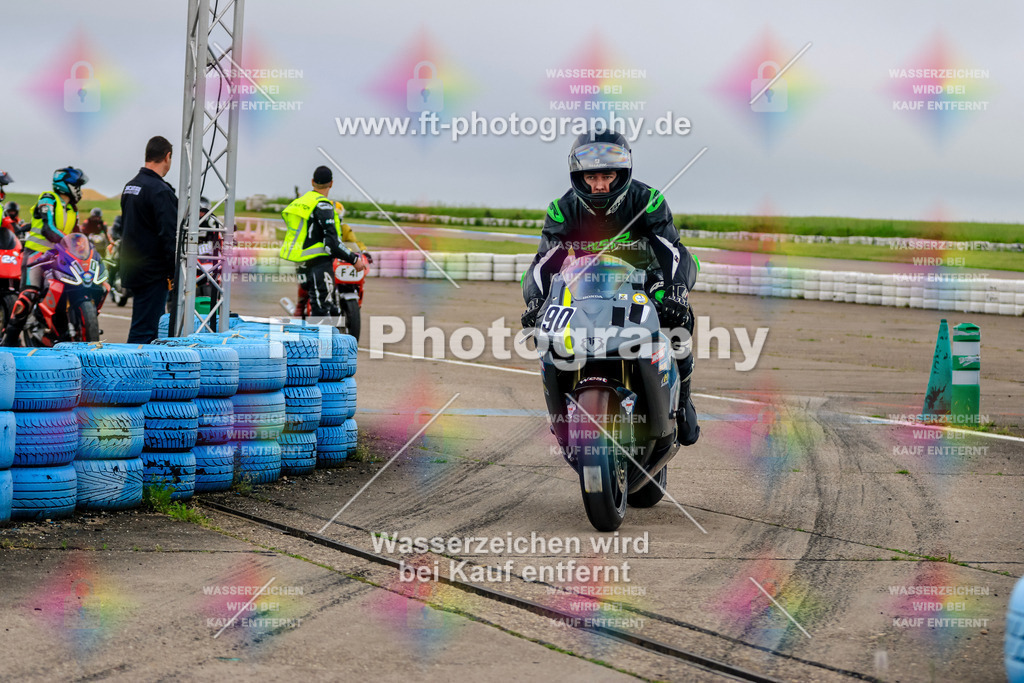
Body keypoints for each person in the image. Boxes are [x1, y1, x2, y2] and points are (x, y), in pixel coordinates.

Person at [521, 130, 700, 445]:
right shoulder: (562, 209)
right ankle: (563, 414)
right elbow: (544, 263)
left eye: (607, 175)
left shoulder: (649, 200)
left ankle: (682, 401)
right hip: (590, 282)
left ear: (622, 173)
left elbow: (672, 251)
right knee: (548, 329)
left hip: (650, 277)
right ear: (579, 176)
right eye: (592, 176)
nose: (600, 184)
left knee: (679, 322)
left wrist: (675, 292)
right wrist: (535, 302)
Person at [1, 167, 88, 346]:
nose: (79, 190)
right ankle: (8, 343)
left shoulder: (73, 209)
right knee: (28, 296)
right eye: (77, 185)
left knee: (65, 295)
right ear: (66, 185)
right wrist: (67, 242)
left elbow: (77, 234)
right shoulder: (48, 198)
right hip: (36, 256)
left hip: (60, 258)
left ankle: (64, 339)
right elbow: (48, 228)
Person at [279, 166, 365, 320]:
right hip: (319, 264)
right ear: (331, 183)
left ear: (312, 181)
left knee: (318, 303)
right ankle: (318, 342)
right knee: (321, 312)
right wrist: (353, 259)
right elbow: (331, 243)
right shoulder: (323, 205)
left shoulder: (301, 202)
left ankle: (301, 312)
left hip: (300, 262)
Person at [120, 135, 177, 344]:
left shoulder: (131, 186)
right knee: (145, 332)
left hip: (133, 267)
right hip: (152, 272)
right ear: (167, 157)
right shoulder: (160, 191)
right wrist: (175, 271)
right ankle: (134, 374)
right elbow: (170, 236)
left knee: (144, 325)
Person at [291, 200, 372, 317]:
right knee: (307, 281)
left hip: (338, 261)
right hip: (318, 260)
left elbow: (354, 242)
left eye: (336, 217)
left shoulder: (344, 229)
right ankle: (301, 305)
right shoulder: (315, 228)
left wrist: (363, 251)